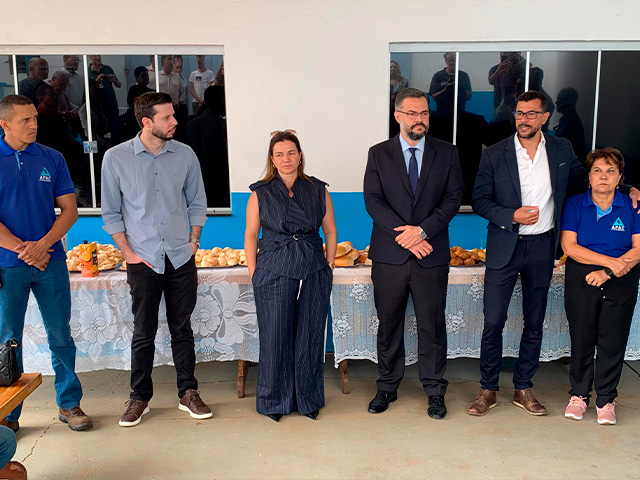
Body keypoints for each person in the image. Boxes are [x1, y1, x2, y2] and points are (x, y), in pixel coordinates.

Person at [470, 90, 640, 417]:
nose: (524, 119)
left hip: (542, 247)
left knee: (534, 322)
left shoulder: (561, 149)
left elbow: (589, 179)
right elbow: (479, 200)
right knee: (493, 321)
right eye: (520, 113)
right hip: (505, 245)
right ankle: (487, 389)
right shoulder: (495, 154)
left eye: (531, 113)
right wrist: (511, 215)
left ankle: (523, 387)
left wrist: (627, 187)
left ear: (545, 117)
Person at [101, 92, 211, 427]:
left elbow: (197, 202)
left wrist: (193, 242)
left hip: (180, 257)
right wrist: (129, 254)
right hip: (143, 260)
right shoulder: (115, 158)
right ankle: (139, 398)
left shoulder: (185, 155)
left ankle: (187, 392)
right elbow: (111, 212)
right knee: (143, 331)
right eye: (167, 117)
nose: (175, 121)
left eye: (173, 115)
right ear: (147, 121)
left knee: (182, 329)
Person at [363, 87, 464, 419]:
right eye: (412, 113)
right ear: (398, 116)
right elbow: (373, 201)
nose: (419, 119)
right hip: (389, 257)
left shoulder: (446, 153)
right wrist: (407, 236)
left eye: (424, 113)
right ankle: (387, 386)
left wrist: (421, 231)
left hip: (430, 254)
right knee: (389, 324)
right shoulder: (378, 154)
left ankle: (434, 390)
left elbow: (453, 198)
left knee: (432, 326)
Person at [0, 94, 92, 432]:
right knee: (8, 339)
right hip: (7, 264)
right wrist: (25, 250)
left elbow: (70, 210)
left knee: (60, 333)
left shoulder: (52, 158)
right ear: (5, 124)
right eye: (25, 120)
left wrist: (43, 246)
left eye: (35, 118)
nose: (33, 124)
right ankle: (8, 415)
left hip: (50, 262)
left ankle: (69, 403)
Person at [244, 130, 337, 422]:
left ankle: (308, 399)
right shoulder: (260, 192)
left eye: (291, 153)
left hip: (313, 269)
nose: (286, 159)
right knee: (274, 336)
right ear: (272, 159)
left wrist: (329, 264)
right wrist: (254, 272)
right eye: (280, 154)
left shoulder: (318, 190)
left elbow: (330, 230)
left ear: (299, 156)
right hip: (272, 269)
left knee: (310, 334)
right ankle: (274, 400)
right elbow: (251, 235)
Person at [560, 148, 640, 425]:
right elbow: (569, 246)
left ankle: (606, 400)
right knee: (581, 337)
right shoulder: (574, 204)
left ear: (620, 178)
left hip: (622, 278)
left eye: (610, 171)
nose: (603, 176)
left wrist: (609, 271)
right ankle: (579, 395)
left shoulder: (632, 205)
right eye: (597, 171)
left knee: (612, 340)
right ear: (589, 176)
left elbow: (638, 248)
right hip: (582, 277)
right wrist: (609, 263)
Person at [181, 86, 229, 208]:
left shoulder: (189, 124)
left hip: (193, 185)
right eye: (225, 99)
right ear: (218, 100)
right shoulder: (220, 126)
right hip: (216, 187)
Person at [88, 55, 121, 127]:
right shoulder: (88, 71)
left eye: (99, 56)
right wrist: (96, 81)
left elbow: (119, 85)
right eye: (95, 56)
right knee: (100, 126)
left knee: (115, 124)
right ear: (90, 57)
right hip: (97, 104)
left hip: (110, 103)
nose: (97, 58)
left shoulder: (107, 69)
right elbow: (87, 89)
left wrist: (113, 80)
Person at [389, 60, 409, 138]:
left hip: (398, 106)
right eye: (391, 67)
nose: (392, 68)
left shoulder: (403, 81)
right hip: (386, 108)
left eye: (394, 67)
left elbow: (405, 94)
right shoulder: (383, 80)